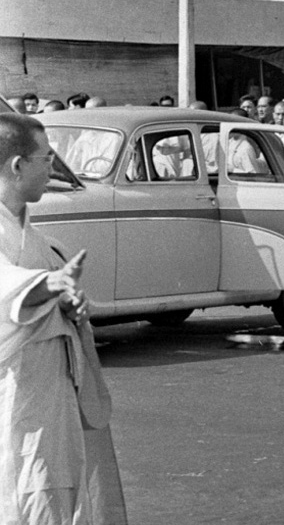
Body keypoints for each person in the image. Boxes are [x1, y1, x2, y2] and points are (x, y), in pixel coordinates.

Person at [0, 113, 127, 523]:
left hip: (53, 391)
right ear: (17, 166)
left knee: (57, 490)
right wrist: (49, 285)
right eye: (46, 158)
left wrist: (72, 309)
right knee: (24, 490)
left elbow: (48, 291)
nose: (53, 167)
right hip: (17, 393)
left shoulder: (43, 243)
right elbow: (7, 287)